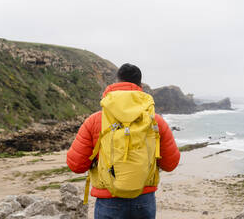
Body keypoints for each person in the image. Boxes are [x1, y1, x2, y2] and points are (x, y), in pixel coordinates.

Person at [66, 63, 180, 219]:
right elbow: (170, 164)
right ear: (140, 86)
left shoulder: (95, 121)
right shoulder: (155, 121)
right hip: (144, 198)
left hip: (108, 199)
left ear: (116, 82)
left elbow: (76, 165)